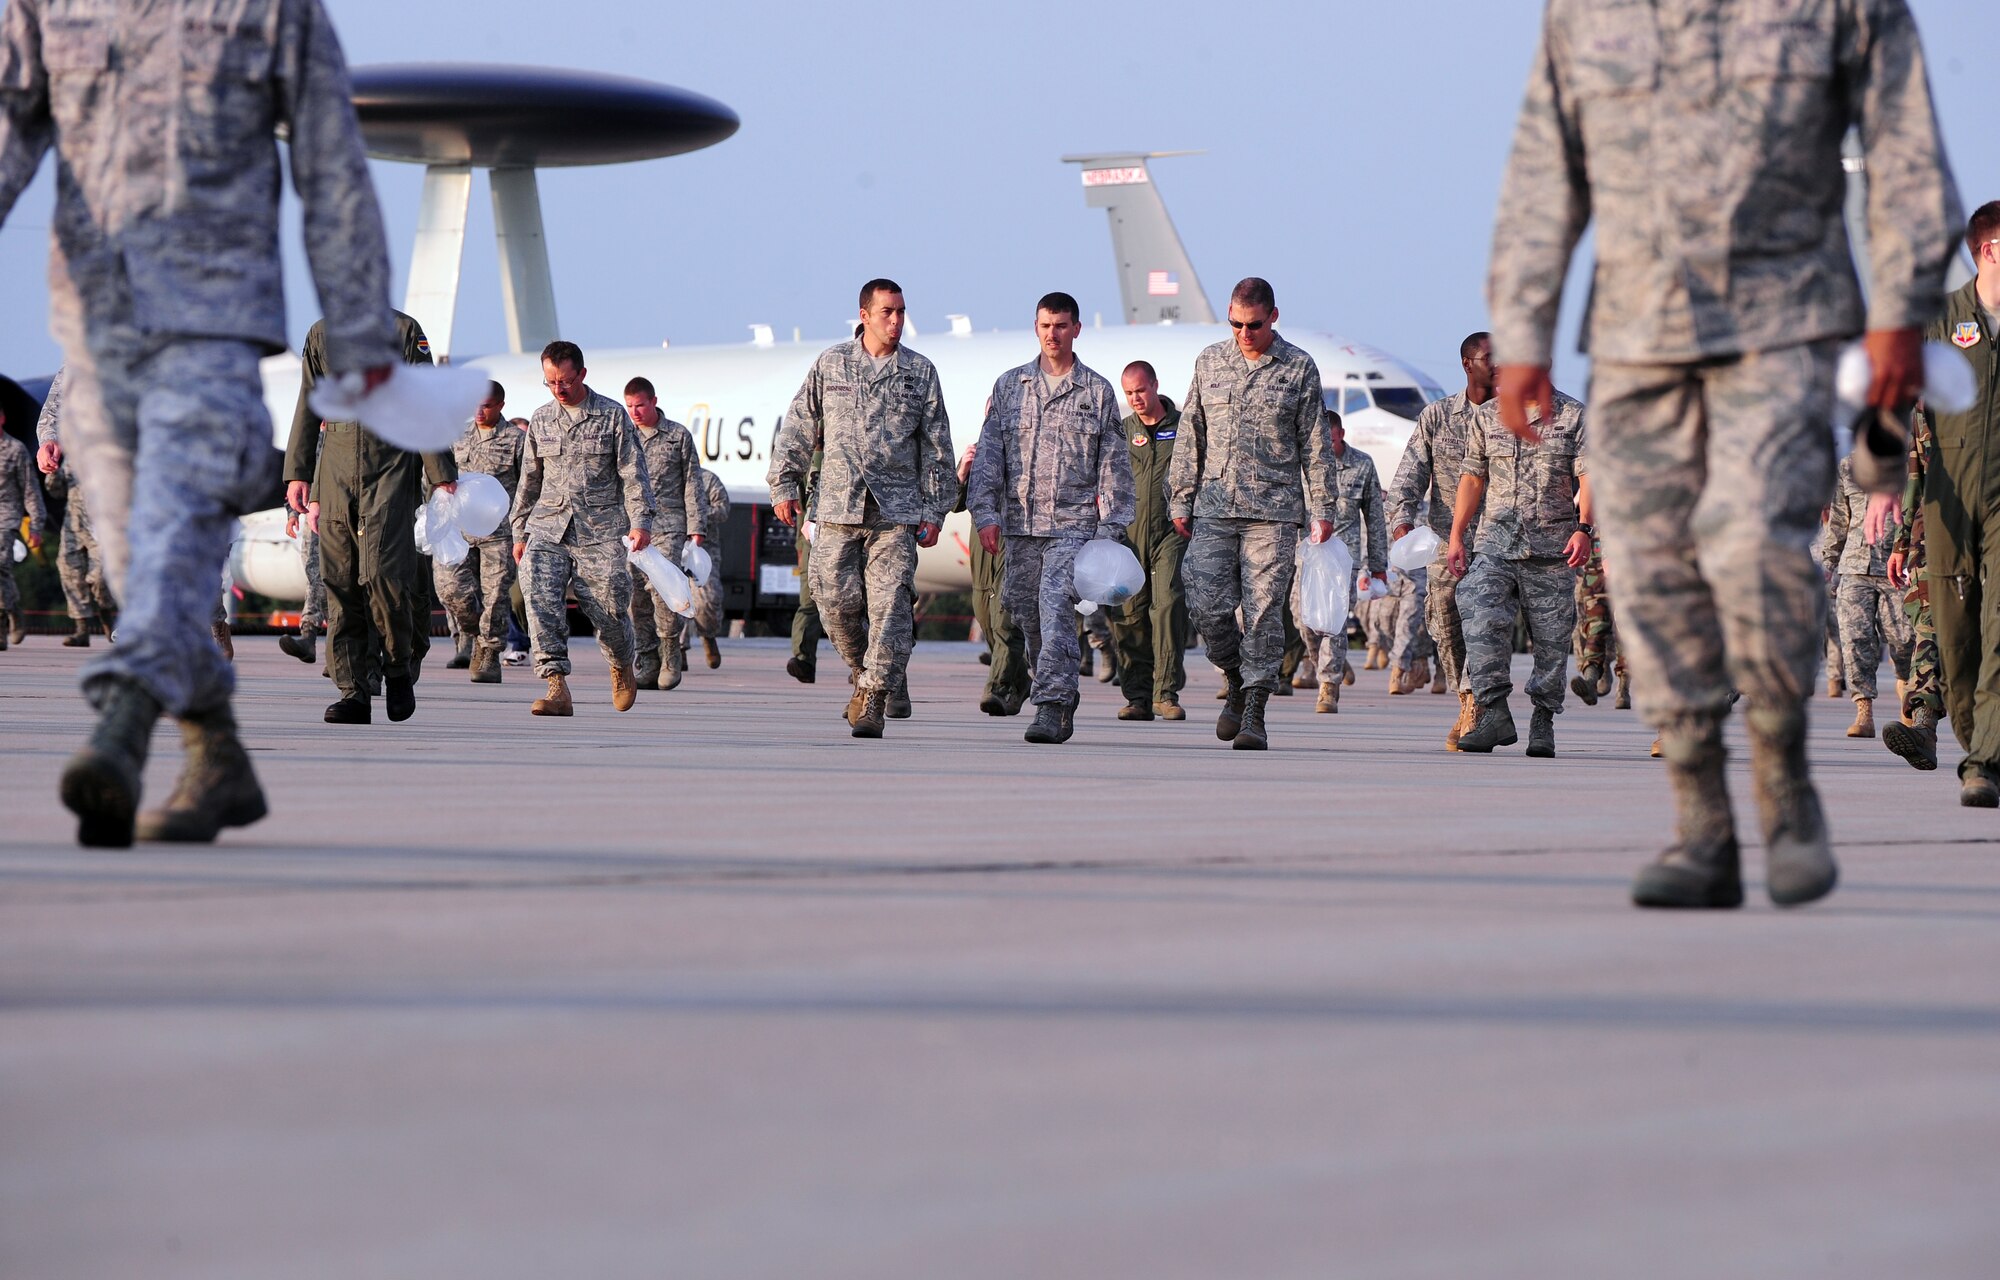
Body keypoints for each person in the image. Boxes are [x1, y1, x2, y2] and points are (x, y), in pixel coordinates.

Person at [1488, 0, 1961, 907]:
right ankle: (1701, 820)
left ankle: (1786, 786)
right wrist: (1523, 331)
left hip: (1783, 329)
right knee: (1653, 570)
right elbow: (1545, 170)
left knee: (1753, 549)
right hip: (1637, 336)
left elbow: (1907, 154)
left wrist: (1903, 313)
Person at [0, 0, 402, 845]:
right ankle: (215, 750)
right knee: (129, 553)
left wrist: (363, 336)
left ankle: (120, 723)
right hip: (96, 329)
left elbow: (334, 169)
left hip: (216, 323)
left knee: (177, 525)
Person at [768, 279, 954, 738]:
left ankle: (873, 696)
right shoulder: (831, 364)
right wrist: (783, 485)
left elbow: (937, 449)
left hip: (896, 512)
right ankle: (867, 671)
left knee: (891, 605)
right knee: (832, 601)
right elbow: (797, 425)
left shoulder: (920, 373)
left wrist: (935, 510)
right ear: (865, 314)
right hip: (836, 504)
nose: (896, 321)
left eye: (901, 312)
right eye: (887, 312)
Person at [1168, 277, 1338, 750]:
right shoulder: (1210, 361)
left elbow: (1315, 444)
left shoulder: (1299, 367)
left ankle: (1255, 711)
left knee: (1264, 614)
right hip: (1214, 508)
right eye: (1236, 324)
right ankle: (1236, 680)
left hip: (1274, 512)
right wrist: (1180, 497)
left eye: (1254, 325)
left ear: (1273, 317)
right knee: (1205, 606)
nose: (1244, 333)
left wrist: (1323, 508)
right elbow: (1191, 433)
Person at [967, 292, 1135, 744]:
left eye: (1061, 325)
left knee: (1054, 607)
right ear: (1035, 328)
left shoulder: (1096, 391)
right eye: (1045, 325)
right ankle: (1054, 686)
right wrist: (985, 513)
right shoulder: (1010, 386)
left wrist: (1110, 530)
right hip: (1020, 526)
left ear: (1076, 329)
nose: (1052, 334)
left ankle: (1053, 706)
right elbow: (989, 457)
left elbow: (1113, 465)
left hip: (1073, 526)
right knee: (1024, 612)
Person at [287, 311, 455, 725]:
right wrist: (298, 472)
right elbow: (309, 401)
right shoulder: (322, 334)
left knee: (385, 578)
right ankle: (353, 691)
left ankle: (398, 667)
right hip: (337, 466)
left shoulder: (404, 331)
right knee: (340, 582)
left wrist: (441, 475)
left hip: (391, 464)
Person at [1903, 201, 2000, 802]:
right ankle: (1977, 741)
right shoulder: (1940, 319)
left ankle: (1984, 763)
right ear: (1991, 250)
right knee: (1956, 634)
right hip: (1950, 498)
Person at [511, 341, 656, 716]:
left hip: (601, 529)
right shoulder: (541, 419)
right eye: (551, 382)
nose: (559, 389)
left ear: (582, 375)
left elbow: (633, 474)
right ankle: (556, 684)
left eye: (566, 381)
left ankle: (622, 662)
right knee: (538, 593)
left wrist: (641, 522)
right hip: (549, 526)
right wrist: (519, 531)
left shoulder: (611, 416)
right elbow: (529, 479)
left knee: (608, 606)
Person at [1447, 390, 1592, 756]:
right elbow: (1472, 477)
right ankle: (1493, 711)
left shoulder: (1574, 415)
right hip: (1495, 542)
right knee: (1478, 614)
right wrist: (1456, 535)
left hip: (1552, 547)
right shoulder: (1488, 415)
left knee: (1552, 640)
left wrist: (1585, 528)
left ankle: (1543, 719)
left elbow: (1591, 478)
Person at [1389, 332, 1495, 749]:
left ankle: (1478, 707)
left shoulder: (1516, 417)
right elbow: (1407, 479)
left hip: (1499, 544)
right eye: (1490, 357)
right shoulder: (1437, 417)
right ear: (1468, 364)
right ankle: (1466, 698)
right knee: (1446, 625)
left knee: (1486, 622)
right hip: (1446, 545)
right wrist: (1402, 522)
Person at [1106, 360, 1190, 721]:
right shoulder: (1121, 431)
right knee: (1129, 612)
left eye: (1140, 390)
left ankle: (1165, 693)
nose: (1136, 399)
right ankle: (1137, 696)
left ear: (1155, 385)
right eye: (1128, 393)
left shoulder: (1185, 427)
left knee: (1168, 606)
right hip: (1129, 534)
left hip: (1172, 532)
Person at [1296, 409, 1387, 713]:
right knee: (1305, 622)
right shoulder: (1302, 464)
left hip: (1343, 559)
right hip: (1307, 556)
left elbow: (1374, 518)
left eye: (1329, 439)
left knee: (1334, 623)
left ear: (1341, 435)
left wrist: (1378, 565)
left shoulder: (1362, 465)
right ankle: (1329, 661)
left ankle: (1328, 686)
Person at [435, 381, 523, 683]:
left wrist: (523, 529)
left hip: (498, 532)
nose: (479, 411)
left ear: (499, 405)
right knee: (450, 589)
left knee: (496, 595)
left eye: (486, 405)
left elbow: (528, 486)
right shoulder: (456, 435)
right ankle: (473, 633)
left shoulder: (516, 440)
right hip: (458, 529)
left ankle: (489, 652)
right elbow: (434, 474)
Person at [622, 376, 706, 692]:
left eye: (640, 405)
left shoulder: (677, 436)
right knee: (635, 596)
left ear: (653, 401)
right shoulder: (625, 435)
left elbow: (692, 482)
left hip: (669, 524)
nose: (635, 412)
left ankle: (671, 655)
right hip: (631, 528)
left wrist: (696, 528)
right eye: (629, 406)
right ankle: (647, 660)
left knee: (663, 589)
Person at [1823, 456, 1912, 740]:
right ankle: (1864, 713)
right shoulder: (1848, 466)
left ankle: (1909, 701)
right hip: (1854, 567)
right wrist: (1829, 561)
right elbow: (1839, 518)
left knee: (1904, 640)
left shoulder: (1909, 463)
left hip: (1897, 568)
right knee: (1855, 639)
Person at [35, 370, 116, 646]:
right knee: (69, 568)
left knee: (101, 574)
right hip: (77, 520)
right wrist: (48, 441)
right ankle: (83, 628)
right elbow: (57, 402)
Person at [957, 441, 1030, 716]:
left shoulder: (1028, 448)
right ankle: (1022, 681)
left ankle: (996, 688)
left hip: (1013, 541)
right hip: (982, 544)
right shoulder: (977, 452)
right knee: (986, 620)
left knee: (1004, 620)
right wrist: (963, 470)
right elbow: (953, 503)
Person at [0, 401, 48, 647]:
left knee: (0, 566)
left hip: (7, 517)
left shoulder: (15, 449)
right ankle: (13, 612)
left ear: (2, 419)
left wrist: (36, 525)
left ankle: (7, 622)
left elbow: (30, 489)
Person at [693, 465, 731, 669]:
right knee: (668, 600)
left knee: (709, 599)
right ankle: (673, 652)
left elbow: (723, 509)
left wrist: (696, 514)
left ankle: (708, 635)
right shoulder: (664, 475)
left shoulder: (707, 479)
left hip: (702, 549)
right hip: (668, 544)